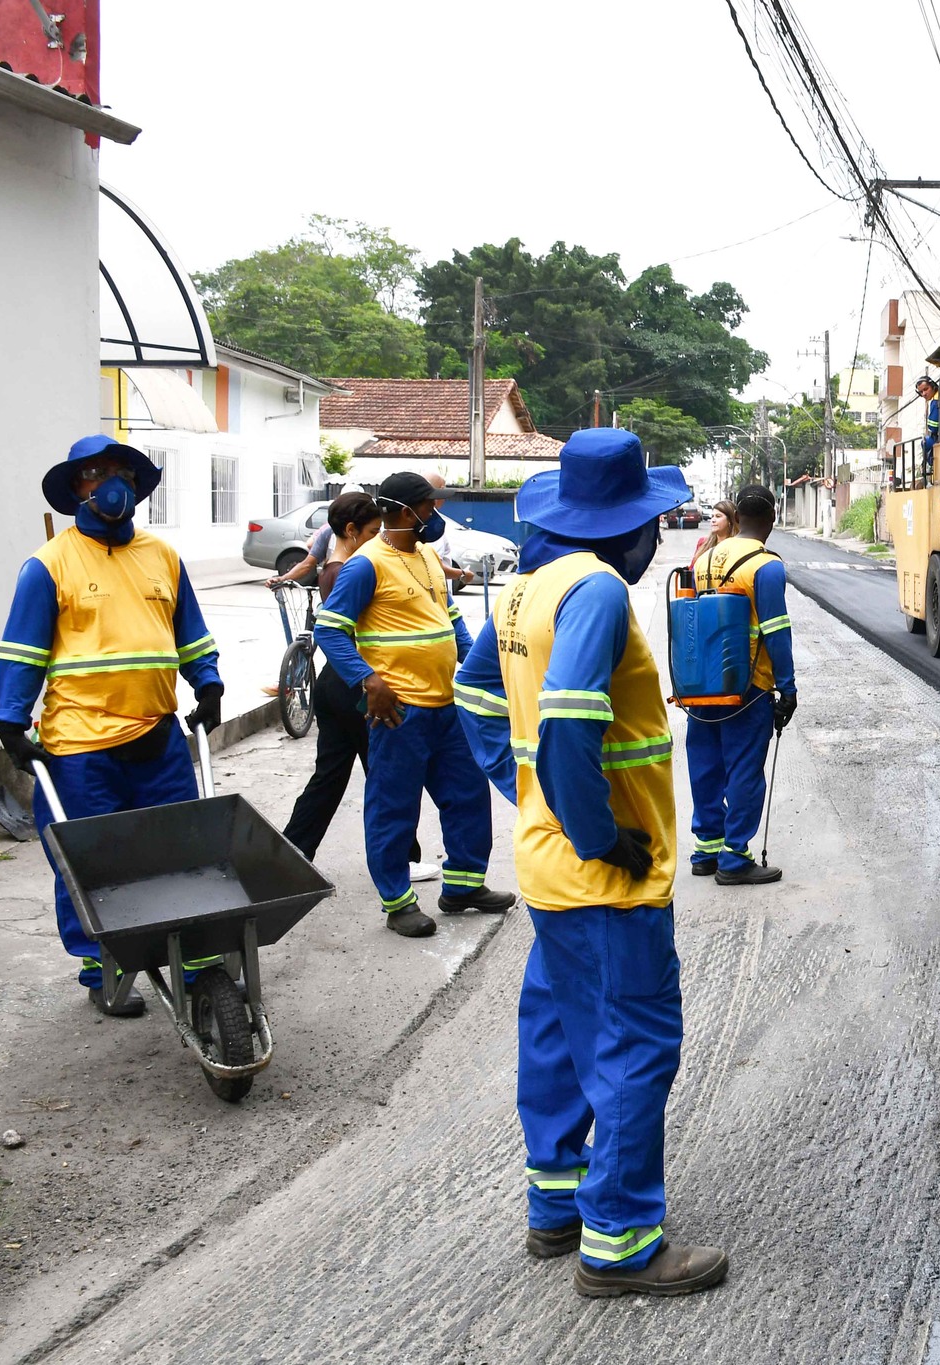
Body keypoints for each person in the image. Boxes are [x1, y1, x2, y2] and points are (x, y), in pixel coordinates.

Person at [453, 426, 728, 1298]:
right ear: (631, 529)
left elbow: (474, 696)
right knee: (635, 1040)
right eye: (654, 521)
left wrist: (526, 790)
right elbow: (571, 721)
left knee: (560, 1033)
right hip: (603, 873)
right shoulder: (601, 591)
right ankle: (619, 1241)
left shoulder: (524, 590)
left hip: (548, 867)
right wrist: (599, 831)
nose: (659, 537)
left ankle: (556, 1201)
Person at [0, 436, 225, 1017]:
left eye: (119, 471)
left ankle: (193, 957)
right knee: (88, 858)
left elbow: (189, 632)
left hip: (157, 733)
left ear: (137, 484)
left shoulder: (163, 557)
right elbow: (22, 651)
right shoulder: (48, 565)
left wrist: (210, 681)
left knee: (179, 847)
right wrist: (10, 721)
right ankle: (101, 964)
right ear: (77, 489)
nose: (108, 482)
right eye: (94, 473)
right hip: (79, 745)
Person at [315, 471, 512, 937]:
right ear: (406, 511)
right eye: (429, 507)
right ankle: (398, 902)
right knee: (393, 806)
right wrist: (367, 680)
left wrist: (473, 665)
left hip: (448, 705)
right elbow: (330, 629)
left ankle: (464, 886)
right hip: (400, 711)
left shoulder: (426, 554)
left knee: (467, 796)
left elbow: (451, 619)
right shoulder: (367, 564)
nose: (435, 515)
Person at [277, 491, 436, 882]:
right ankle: (405, 859)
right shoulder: (350, 569)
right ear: (351, 530)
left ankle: (291, 854)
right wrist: (369, 681)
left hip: (336, 684)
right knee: (387, 779)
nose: (380, 536)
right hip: (356, 687)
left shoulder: (337, 567)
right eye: (371, 530)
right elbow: (337, 633)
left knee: (329, 778)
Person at [686, 485, 796, 886]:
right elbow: (776, 629)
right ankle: (734, 859)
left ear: (739, 518)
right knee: (745, 769)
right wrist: (788, 687)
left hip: (701, 680)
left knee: (707, 765)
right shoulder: (765, 565)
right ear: (770, 519)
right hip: (749, 684)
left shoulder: (706, 558)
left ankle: (706, 851)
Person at [687, 500, 738, 573]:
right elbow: (692, 570)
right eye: (712, 516)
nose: (713, 520)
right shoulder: (703, 542)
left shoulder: (738, 545)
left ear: (730, 520)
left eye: (718, 516)